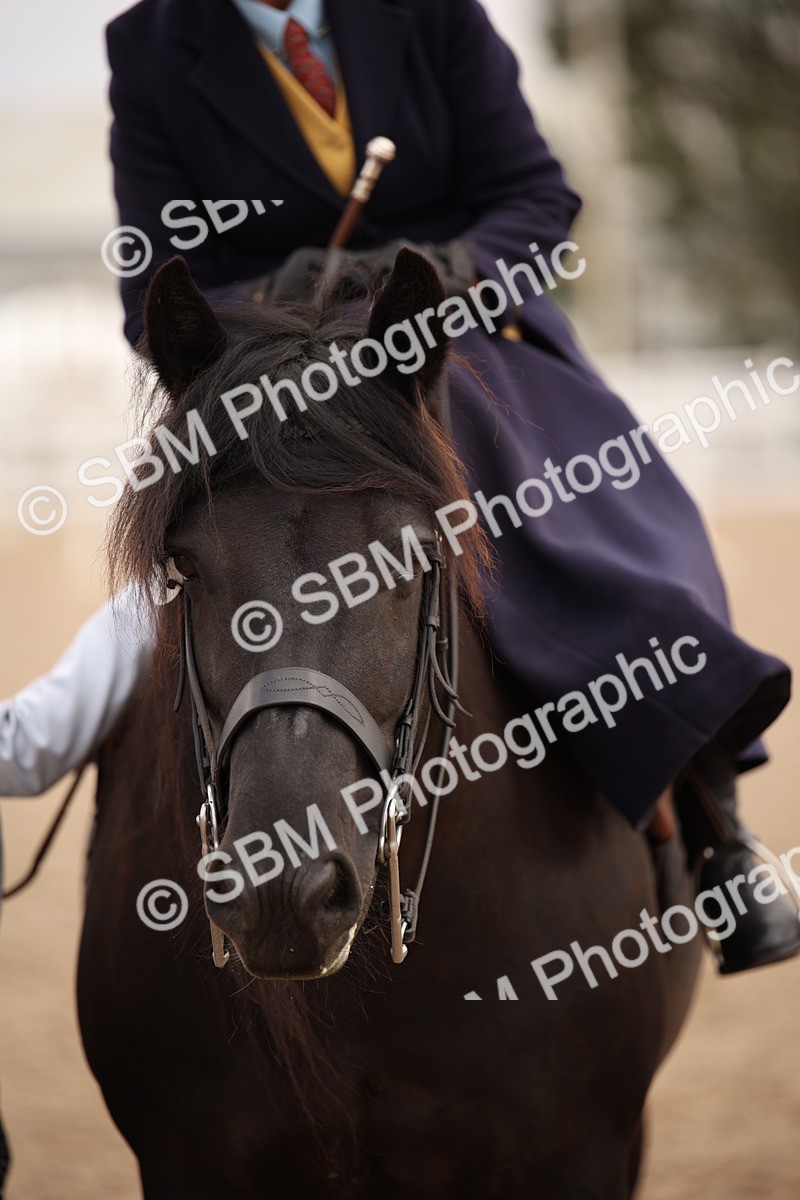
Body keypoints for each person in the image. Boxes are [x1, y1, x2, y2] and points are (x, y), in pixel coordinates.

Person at [2, 0, 798, 976]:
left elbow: (533, 197)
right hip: (267, 366)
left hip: (455, 335)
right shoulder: (148, 44)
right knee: (197, 552)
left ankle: (717, 823)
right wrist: (285, 298)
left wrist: (449, 271)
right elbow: (152, 282)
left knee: (620, 524)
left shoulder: (433, 12)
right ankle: (68, 729)